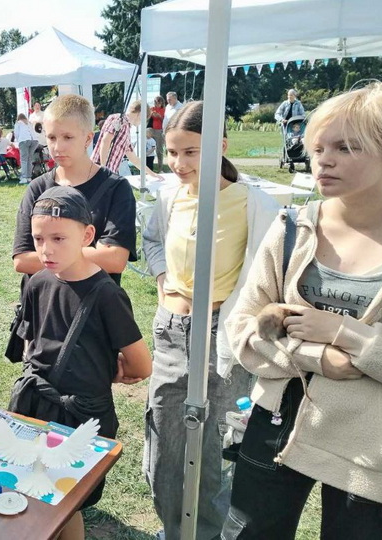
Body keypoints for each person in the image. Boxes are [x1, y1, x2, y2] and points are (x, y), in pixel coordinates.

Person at [222, 82, 382, 539]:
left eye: (346, 146)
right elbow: (241, 330)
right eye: (318, 146)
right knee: (249, 533)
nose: (324, 158)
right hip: (280, 420)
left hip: (377, 445)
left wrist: (344, 332)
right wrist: (317, 356)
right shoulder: (291, 229)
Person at [141, 100, 280, 540]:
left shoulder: (254, 204)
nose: (177, 163)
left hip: (224, 336)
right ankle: (173, 529)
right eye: (171, 151)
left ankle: (207, 534)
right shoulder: (168, 196)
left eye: (190, 151)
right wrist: (163, 277)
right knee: (164, 446)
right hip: (172, 332)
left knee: (217, 448)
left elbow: (266, 272)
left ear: (220, 146)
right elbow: (151, 239)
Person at [10, 185, 152, 540]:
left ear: (87, 235)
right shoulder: (37, 282)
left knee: (67, 502)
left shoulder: (106, 294)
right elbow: (31, 342)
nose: (47, 249)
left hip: (80, 417)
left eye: (59, 238)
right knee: (35, 495)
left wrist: (106, 370)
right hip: (34, 406)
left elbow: (142, 365)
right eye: (39, 238)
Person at [14, 95, 138, 287]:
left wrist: (48, 255)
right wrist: (89, 253)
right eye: (52, 137)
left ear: (88, 138)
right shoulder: (37, 188)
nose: (58, 147)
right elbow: (22, 260)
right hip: (43, 305)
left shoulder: (116, 188)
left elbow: (115, 260)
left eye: (68, 137)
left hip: (93, 307)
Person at [91, 100, 155, 177]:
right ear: (140, 114)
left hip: (109, 172)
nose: (142, 123)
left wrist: (152, 173)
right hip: (99, 170)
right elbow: (106, 141)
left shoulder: (127, 130)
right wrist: (103, 167)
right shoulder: (118, 119)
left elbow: (133, 158)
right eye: (144, 119)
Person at [13, 113, 37, 185]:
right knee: (29, 159)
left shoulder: (18, 123)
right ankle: (29, 177)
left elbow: (16, 133)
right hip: (34, 140)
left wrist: (18, 141)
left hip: (24, 140)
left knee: (24, 160)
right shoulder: (29, 123)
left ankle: (24, 177)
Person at [148, 96, 166, 172]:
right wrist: (151, 115)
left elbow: (165, 121)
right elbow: (147, 118)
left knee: (159, 150)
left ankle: (160, 168)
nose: (156, 104)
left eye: (158, 102)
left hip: (159, 130)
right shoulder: (152, 109)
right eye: (155, 102)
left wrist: (159, 117)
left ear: (161, 102)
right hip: (151, 130)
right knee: (148, 147)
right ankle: (149, 167)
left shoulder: (164, 110)